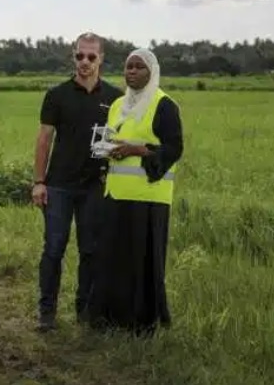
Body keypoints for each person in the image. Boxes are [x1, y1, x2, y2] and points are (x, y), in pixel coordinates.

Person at [86, 48, 184, 336]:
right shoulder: (118, 105)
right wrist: (107, 150)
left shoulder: (164, 105)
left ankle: (143, 324)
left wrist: (137, 150)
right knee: (113, 260)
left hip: (148, 198)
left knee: (142, 263)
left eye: (139, 67)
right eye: (128, 66)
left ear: (151, 72)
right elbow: (109, 138)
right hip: (116, 196)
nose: (131, 71)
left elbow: (174, 148)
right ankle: (111, 319)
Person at [32, 32, 123, 332]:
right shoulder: (56, 95)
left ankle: (85, 312)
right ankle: (47, 313)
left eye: (91, 57)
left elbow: (121, 139)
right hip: (58, 185)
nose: (84, 62)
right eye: (79, 56)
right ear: (73, 56)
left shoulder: (114, 98)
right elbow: (44, 139)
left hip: (95, 186)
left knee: (91, 251)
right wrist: (39, 181)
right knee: (54, 249)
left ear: (101, 59)